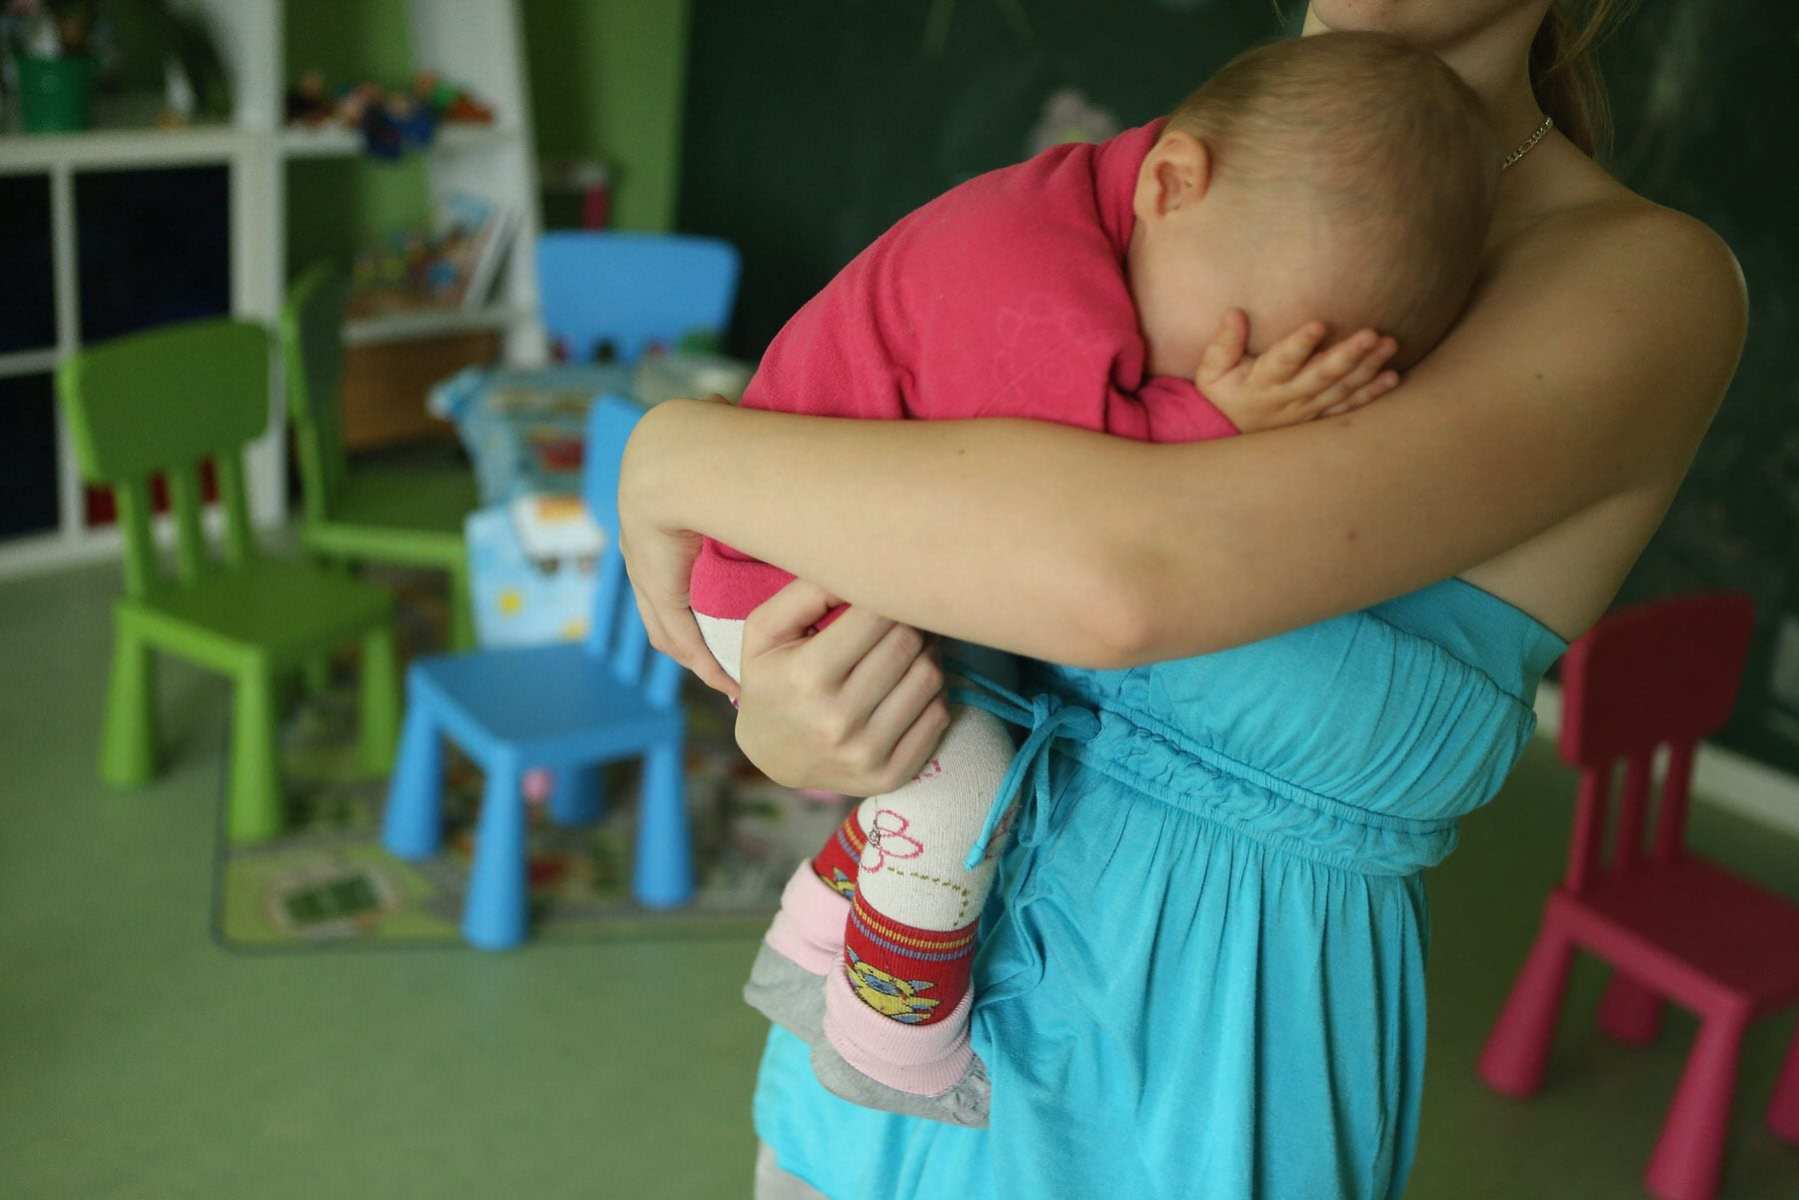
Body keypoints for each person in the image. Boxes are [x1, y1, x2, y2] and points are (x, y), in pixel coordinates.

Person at [620, 1, 1747, 1196]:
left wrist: (678, 457)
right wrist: (792, 723)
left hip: (1193, 1083)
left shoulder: (1639, 282)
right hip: (881, 1031)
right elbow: (899, 562)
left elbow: (1113, 581)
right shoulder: (1149, 182)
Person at [689, 30, 1498, 1128]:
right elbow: (1070, 482)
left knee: (952, 738)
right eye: (1243, 339)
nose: (1230, 376)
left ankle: (811, 934)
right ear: (1171, 184)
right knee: (959, 776)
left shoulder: (1109, 213)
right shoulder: (1032, 273)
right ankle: (891, 1050)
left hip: (841, 560)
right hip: (778, 578)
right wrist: (1214, 419)